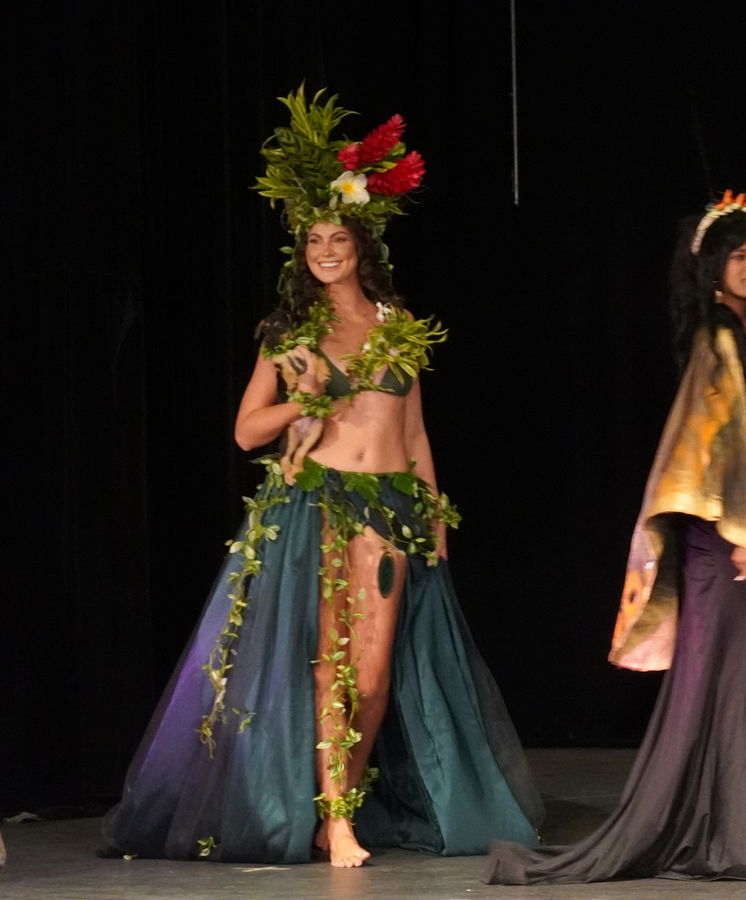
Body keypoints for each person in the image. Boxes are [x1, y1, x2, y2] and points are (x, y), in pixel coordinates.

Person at [102, 87, 541, 868]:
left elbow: (413, 432)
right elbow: (247, 430)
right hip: (319, 505)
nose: (325, 251)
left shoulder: (398, 329)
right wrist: (299, 400)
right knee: (326, 669)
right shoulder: (292, 333)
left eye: (336, 238)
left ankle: (339, 800)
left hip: (393, 510)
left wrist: (435, 516)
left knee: (371, 679)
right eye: (312, 242)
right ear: (301, 254)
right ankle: (334, 819)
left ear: (361, 245)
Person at [485, 192, 746, 885]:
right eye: (739, 255)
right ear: (713, 267)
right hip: (725, 535)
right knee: (745, 671)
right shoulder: (716, 337)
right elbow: (711, 449)